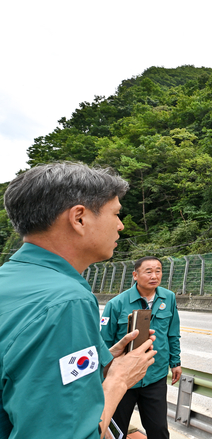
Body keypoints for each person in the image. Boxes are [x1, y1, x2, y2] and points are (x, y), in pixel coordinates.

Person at [0, 162, 157, 439]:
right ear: (79, 218)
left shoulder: (11, 279)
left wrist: (101, 359)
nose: (120, 226)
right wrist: (118, 381)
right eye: (116, 214)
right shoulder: (66, 301)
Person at [100, 256, 181, 438]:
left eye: (158, 271)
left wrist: (175, 362)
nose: (154, 275)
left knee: (159, 429)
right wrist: (104, 374)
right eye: (149, 271)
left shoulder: (169, 298)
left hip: (155, 376)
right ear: (135, 275)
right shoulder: (116, 304)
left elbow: (173, 333)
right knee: (116, 431)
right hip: (124, 379)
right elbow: (104, 342)